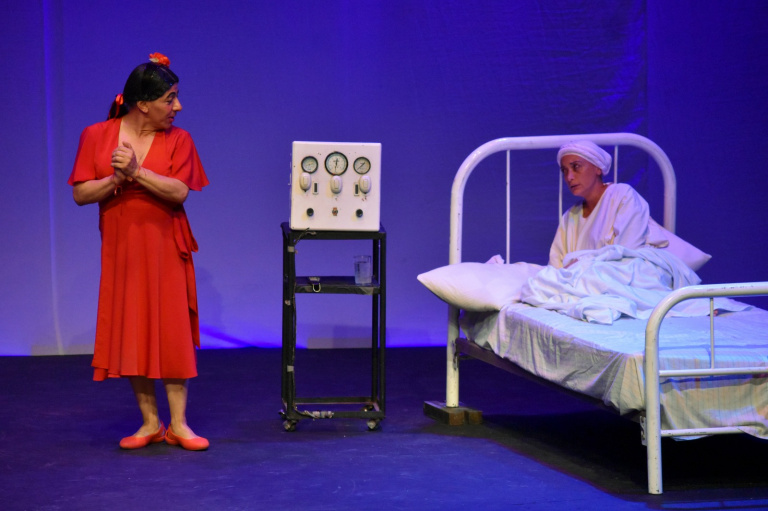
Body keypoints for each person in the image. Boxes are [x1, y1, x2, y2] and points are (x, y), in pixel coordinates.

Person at [68, 53, 210, 451]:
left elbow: (179, 192)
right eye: (170, 98)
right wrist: (115, 178)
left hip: (166, 246)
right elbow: (81, 193)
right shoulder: (96, 135)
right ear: (143, 104)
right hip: (123, 249)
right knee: (134, 329)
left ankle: (179, 424)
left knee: (171, 331)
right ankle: (150, 423)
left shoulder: (179, 140)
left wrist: (136, 172)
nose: (177, 107)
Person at [548, 140, 650, 268]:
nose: (569, 177)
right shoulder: (570, 216)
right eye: (565, 170)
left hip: (615, 272)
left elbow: (628, 253)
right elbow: (556, 266)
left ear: (598, 168)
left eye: (576, 166)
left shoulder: (622, 196)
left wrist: (582, 264)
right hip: (579, 276)